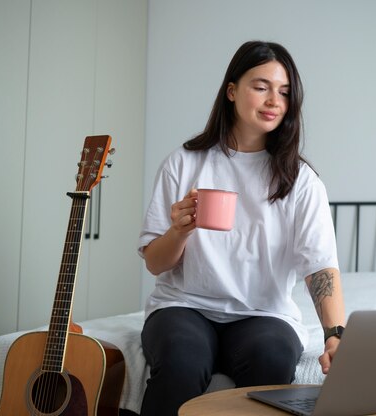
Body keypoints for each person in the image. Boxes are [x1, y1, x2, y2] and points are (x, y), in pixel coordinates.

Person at [137, 40, 345, 416]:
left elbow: (320, 267)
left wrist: (335, 335)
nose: (274, 101)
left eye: (284, 92)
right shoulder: (183, 163)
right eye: (261, 86)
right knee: (182, 361)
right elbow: (155, 263)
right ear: (231, 91)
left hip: (264, 313)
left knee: (273, 357)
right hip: (185, 306)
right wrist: (180, 231)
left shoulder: (301, 180)